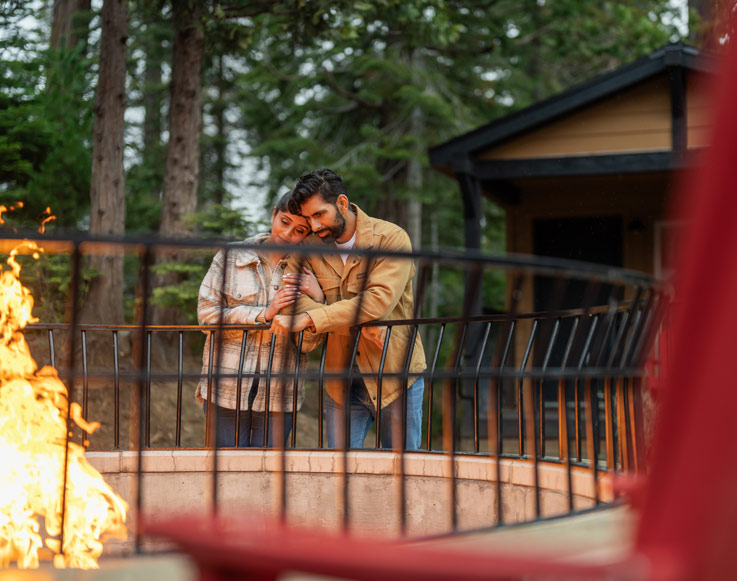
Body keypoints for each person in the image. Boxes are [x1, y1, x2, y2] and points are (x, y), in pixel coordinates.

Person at [271, 169, 427, 450]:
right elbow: (294, 295)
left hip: (396, 376)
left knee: (404, 473)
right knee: (339, 475)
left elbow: (378, 300)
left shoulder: (391, 239)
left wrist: (313, 315)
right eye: (308, 218)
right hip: (341, 383)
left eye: (319, 214)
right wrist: (359, 320)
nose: (314, 226)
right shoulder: (309, 247)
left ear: (342, 203)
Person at [196, 192, 324, 447]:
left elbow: (309, 345)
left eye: (299, 230)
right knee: (226, 475)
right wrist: (264, 313)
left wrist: (319, 301)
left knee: (267, 479)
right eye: (284, 222)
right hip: (225, 390)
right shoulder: (231, 257)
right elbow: (207, 316)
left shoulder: (311, 270)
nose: (288, 234)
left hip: (280, 396)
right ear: (274, 213)